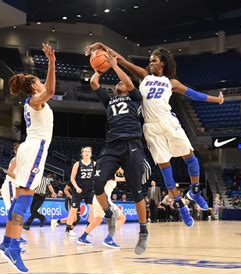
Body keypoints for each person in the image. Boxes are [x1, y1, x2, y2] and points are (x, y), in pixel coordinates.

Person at [87, 43, 224, 228]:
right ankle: (180, 206)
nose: (150, 63)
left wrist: (216, 99)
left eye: (154, 61)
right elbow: (120, 59)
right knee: (165, 169)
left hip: (168, 121)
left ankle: (195, 191)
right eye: (150, 60)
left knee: (191, 159)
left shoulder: (171, 82)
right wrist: (102, 46)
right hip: (151, 128)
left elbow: (194, 95)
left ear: (163, 64)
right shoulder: (144, 76)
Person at [85, 50, 149, 254]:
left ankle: (143, 232)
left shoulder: (135, 97)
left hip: (132, 144)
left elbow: (129, 84)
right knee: (97, 184)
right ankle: (108, 214)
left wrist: (114, 65)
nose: (120, 84)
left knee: (137, 192)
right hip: (112, 145)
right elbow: (94, 84)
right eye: (118, 83)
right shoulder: (109, 100)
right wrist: (98, 68)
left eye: (121, 83)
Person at [0, 43, 55, 273]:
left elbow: (48, 92)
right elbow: (50, 91)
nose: (43, 83)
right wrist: (52, 62)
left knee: (21, 197)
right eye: (39, 81)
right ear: (34, 86)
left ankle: (6, 242)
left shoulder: (31, 102)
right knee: (25, 198)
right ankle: (12, 246)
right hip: (35, 149)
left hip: (28, 148)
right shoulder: (35, 99)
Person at [77, 168, 126, 248]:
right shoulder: (107, 171)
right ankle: (109, 239)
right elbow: (109, 177)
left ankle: (82, 237)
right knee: (122, 218)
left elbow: (114, 178)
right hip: (103, 199)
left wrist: (124, 178)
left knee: (98, 220)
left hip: (98, 199)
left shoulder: (111, 173)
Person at [0, 143, 27, 254]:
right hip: (10, 185)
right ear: (15, 151)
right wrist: (20, 178)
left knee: (15, 214)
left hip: (16, 187)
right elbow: (9, 172)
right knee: (13, 214)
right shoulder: (15, 159)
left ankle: (12, 240)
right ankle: (9, 242)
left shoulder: (23, 161)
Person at [60, 147, 95, 238]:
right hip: (78, 190)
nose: (87, 153)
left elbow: (97, 177)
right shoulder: (77, 164)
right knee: (73, 210)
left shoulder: (95, 164)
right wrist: (77, 187)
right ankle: (68, 230)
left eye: (88, 152)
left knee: (93, 210)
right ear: (82, 154)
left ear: (91, 154)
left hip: (89, 191)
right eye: (85, 152)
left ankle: (88, 229)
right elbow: (72, 178)